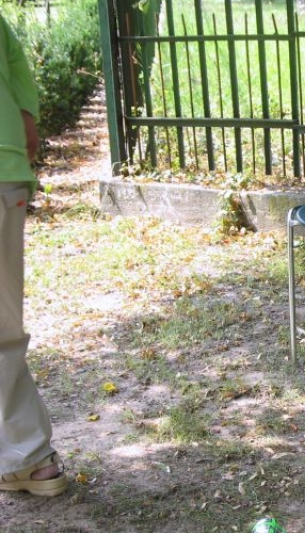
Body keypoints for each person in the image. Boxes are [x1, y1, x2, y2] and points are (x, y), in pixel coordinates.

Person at [0, 13, 68, 497]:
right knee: (2, 325)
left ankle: (28, 456)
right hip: (6, 167)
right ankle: (30, 457)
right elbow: (27, 119)